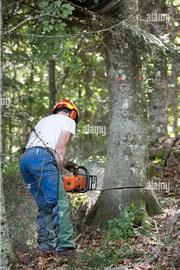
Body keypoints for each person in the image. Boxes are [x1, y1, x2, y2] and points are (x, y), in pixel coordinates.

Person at [20, 99, 79, 256]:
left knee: (45, 204)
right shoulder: (68, 121)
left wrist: (66, 164)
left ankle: (46, 246)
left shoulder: (44, 120)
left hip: (26, 159)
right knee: (60, 202)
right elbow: (59, 147)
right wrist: (59, 175)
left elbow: (42, 147)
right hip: (43, 158)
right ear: (72, 113)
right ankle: (66, 247)